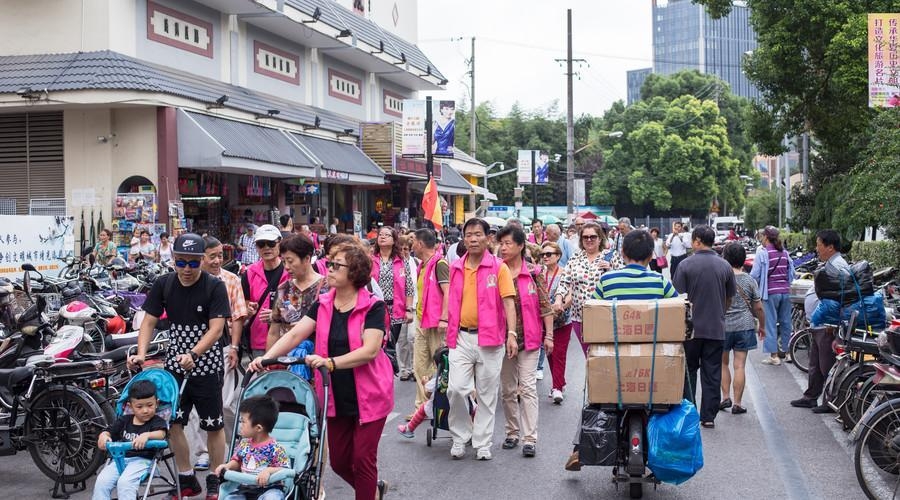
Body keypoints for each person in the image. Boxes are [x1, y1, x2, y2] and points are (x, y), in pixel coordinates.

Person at [249, 244, 392, 500]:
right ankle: (371, 489)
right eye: (331, 262)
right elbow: (294, 334)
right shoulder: (323, 303)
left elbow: (370, 350)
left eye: (337, 265)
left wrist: (331, 362)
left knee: (363, 460)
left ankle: (367, 492)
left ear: (354, 272)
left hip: (370, 394)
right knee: (338, 462)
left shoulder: (373, 306)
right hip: (335, 393)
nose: (330, 268)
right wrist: (266, 359)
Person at [127, 233, 231, 499]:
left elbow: (217, 330)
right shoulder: (164, 284)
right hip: (174, 368)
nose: (187, 269)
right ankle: (186, 477)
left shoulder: (214, 286)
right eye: (181, 262)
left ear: (202, 261)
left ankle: (215, 478)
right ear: (173, 260)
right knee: (172, 422)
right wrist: (141, 354)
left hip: (206, 366)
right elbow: (148, 321)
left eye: (193, 263)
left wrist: (194, 354)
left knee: (214, 425)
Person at [566, 229, 678, 471]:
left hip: (613, 362)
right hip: (654, 365)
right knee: (678, 396)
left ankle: (578, 449)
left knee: (593, 399)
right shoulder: (659, 282)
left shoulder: (607, 281)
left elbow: (592, 312)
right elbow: (679, 310)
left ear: (623, 253)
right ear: (651, 256)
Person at [446, 218, 517, 461]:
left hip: (490, 339)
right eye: (469, 235)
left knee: (487, 393)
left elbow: (508, 301)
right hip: (460, 337)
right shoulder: (455, 266)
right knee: (455, 389)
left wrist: (512, 334)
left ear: (488, 239)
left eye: (478, 235)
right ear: (463, 239)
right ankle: (459, 436)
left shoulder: (499, 267)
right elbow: (451, 301)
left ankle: (483, 442)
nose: (473, 239)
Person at [188, 236, 249, 472]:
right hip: (190, 351)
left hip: (221, 348)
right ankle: (203, 452)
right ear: (200, 258)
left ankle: (235, 445)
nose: (216, 261)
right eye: (211, 256)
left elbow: (237, 318)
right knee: (194, 407)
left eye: (220, 256)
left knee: (221, 402)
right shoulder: (187, 280)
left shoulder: (230, 280)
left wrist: (234, 348)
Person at [497, 226, 554, 458]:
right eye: (501, 243)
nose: (503, 247)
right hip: (501, 338)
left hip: (529, 338)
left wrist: (549, 335)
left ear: (521, 246)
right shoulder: (495, 271)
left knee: (528, 387)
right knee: (508, 389)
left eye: (508, 243)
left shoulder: (533, 272)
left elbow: (545, 305)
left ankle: (530, 438)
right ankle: (512, 432)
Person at [672, 225, 736, 429]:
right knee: (712, 372)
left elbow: (677, 299)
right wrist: (719, 314)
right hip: (716, 328)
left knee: (689, 371)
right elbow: (729, 298)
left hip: (690, 329)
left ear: (697, 241)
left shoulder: (685, 265)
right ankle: (708, 416)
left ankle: (689, 411)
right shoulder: (725, 265)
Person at [791, 229, 847, 413]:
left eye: (819, 245)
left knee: (826, 364)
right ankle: (811, 396)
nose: (817, 249)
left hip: (827, 325)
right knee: (815, 362)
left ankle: (830, 401)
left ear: (830, 247)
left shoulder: (838, 265)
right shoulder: (830, 264)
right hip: (819, 323)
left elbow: (840, 297)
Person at [553, 221, 622, 355]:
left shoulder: (611, 256)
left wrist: (610, 270)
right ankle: (593, 376)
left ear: (600, 238)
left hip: (605, 315)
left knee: (604, 355)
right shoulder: (575, 258)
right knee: (589, 355)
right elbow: (564, 281)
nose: (589, 240)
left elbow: (621, 281)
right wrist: (558, 299)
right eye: (585, 237)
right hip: (580, 317)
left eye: (593, 237)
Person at [92, 380, 168, 500]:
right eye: (139, 406)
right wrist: (104, 436)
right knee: (102, 481)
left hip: (143, 461)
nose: (145, 410)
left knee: (125, 483)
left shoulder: (157, 421)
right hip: (120, 459)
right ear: (130, 406)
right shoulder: (124, 420)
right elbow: (109, 431)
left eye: (150, 405)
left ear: (156, 403)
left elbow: (162, 434)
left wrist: (147, 435)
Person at [214, 396, 290, 500]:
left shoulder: (275, 448)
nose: (240, 425)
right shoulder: (244, 444)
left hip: (269, 489)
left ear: (258, 428)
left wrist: (268, 471)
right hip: (245, 488)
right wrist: (227, 466)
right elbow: (237, 461)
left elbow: (284, 469)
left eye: (243, 422)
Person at [720, 242, 766, 415]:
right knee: (739, 365)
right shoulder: (749, 280)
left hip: (723, 326)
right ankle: (737, 404)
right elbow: (759, 307)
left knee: (723, 364)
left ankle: (725, 397)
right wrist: (762, 326)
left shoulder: (721, 278)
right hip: (744, 326)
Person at [410, 228, 449, 411]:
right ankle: (422, 407)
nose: (412, 246)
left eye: (413, 242)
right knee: (419, 365)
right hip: (421, 319)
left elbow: (448, 293)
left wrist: (444, 318)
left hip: (436, 323)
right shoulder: (423, 265)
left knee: (439, 364)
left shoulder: (440, 264)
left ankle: (440, 405)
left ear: (420, 244)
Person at [267, 235, 325, 350]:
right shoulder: (284, 289)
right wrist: (268, 362)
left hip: (318, 358)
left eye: (290, 261)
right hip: (287, 359)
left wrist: (310, 328)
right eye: (284, 262)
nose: (286, 267)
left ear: (307, 259)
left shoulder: (327, 287)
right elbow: (274, 332)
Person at [241, 225, 289, 360]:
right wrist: (248, 310)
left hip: (288, 340)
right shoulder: (250, 273)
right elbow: (243, 307)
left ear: (280, 243)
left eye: (271, 243)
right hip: (259, 340)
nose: (266, 248)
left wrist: (277, 315)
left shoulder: (290, 270)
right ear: (256, 247)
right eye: (261, 244)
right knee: (264, 379)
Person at [750, 226, 796, 365]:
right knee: (786, 323)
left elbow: (755, 275)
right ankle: (788, 353)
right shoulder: (784, 253)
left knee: (770, 323)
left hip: (770, 293)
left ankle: (774, 356)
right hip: (785, 292)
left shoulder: (763, 253)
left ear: (766, 237)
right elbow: (792, 273)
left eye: (762, 236)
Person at [371, 226, 414, 366]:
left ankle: (388, 371)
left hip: (395, 310)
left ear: (394, 240)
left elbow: (409, 287)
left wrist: (408, 309)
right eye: (380, 234)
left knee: (391, 345)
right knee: (375, 344)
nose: (382, 237)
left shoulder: (402, 261)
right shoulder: (370, 260)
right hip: (374, 309)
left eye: (387, 235)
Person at [541, 241, 571, 404]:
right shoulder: (539, 273)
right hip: (544, 321)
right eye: (543, 254)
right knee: (550, 353)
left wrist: (560, 307)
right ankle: (559, 383)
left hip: (562, 320)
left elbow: (571, 295)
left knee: (559, 354)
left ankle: (556, 387)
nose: (545, 257)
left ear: (558, 256)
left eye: (549, 254)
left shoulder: (566, 273)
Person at [396, 234, 420, 381]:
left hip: (414, 305)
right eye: (401, 249)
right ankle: (405, 369)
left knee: (413, 338)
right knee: (402, 340)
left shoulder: (416, 262)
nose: (404, 251)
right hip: (399, 307)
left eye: (406, 249)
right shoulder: (395, 264)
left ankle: (414, 367)